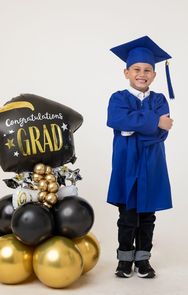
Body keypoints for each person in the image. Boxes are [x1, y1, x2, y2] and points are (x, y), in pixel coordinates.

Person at [106, 36, 174, 279]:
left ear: (154, 75)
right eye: (136, 69)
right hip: (127, 165)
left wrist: (136, 128)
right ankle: (124, 260)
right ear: (126, 72)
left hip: (151, 165)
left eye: (147, 70)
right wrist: (154, 122)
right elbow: (116, 120)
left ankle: (143, 260)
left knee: (147, 217)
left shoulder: (159, 100)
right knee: (127, 216)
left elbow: (161, 134)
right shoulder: (118, 98)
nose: (142, 73)